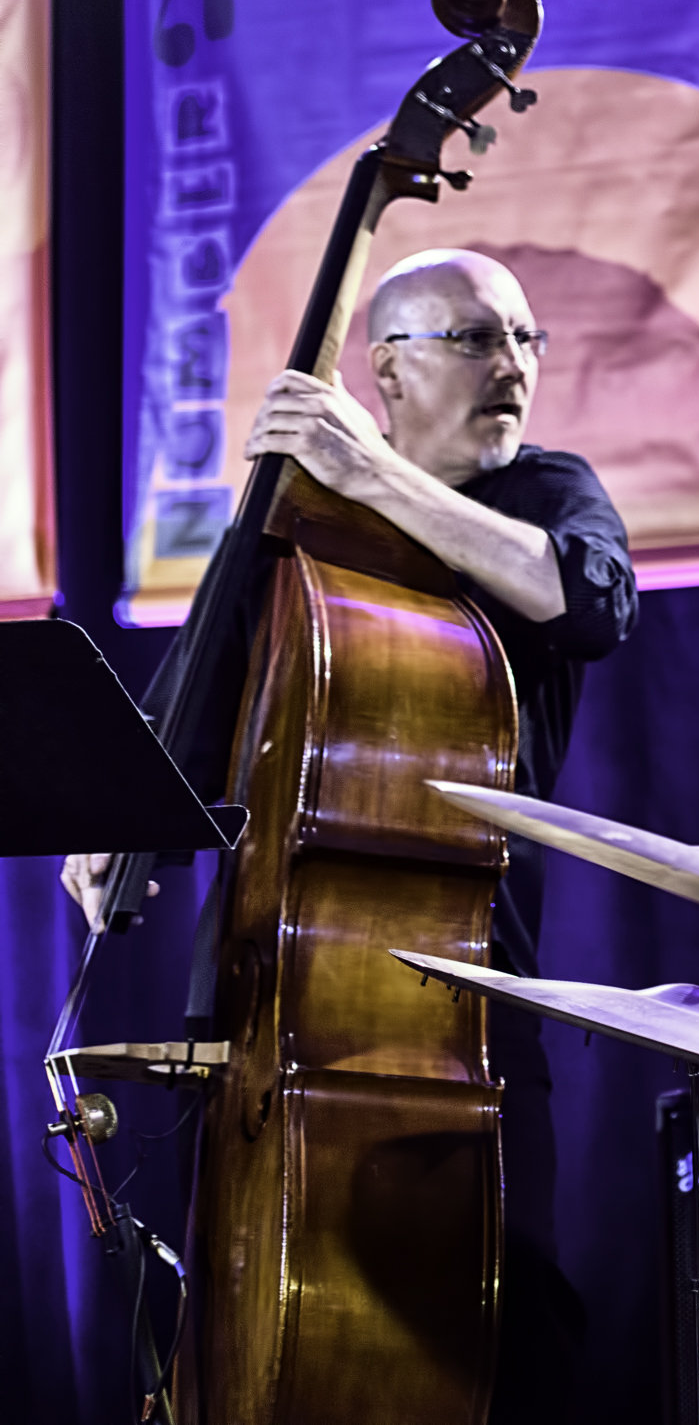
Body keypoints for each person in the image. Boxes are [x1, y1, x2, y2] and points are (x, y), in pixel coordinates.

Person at [62, 248, 638, 1418]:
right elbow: (199, 714)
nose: (512, 367)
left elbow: (584, 599)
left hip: (457, 996)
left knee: (500, 1318)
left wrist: (369, 472)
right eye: (476, 340)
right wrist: (122, 820)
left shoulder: (542, 493)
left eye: (525, 340)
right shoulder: (299, 530)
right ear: (387, 364)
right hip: (266, 992)